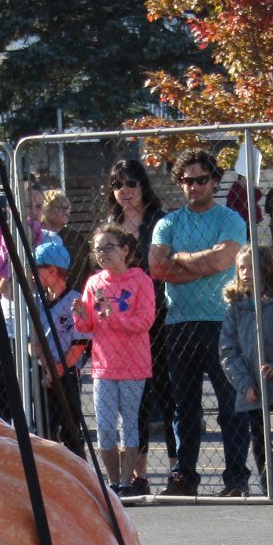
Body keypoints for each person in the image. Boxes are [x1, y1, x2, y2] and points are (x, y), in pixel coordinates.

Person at [149, 147, 249, 497]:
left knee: (230, 404)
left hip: (223, 322)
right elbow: (158, 268)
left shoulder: (231, 219)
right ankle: (184, 476)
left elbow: (223, 260)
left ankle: (236, 477)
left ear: (215, 180)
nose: (194, 186)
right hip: (180, 324)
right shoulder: (168, 223)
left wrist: (181, 259)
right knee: (184, 407)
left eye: (201, 179)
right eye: (187, 181)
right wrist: (198, 264)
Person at [107, 158, 173, 492]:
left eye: (131, 183)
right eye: (118, 185)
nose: (126, 191)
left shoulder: (160, 221)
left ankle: (178, 469)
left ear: (143, 186)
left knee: (168, 388)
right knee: (135, 399)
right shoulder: (112, 225)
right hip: (125, 324)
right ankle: (139, 473)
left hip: (160, 315)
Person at [220, 244, 273, 496]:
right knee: (259, 430)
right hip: (252, 378)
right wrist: (245, 383)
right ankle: (269, 481)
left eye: (252, 268)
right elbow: (228, 349)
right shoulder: (236, 307)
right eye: (241, 268)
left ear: (266, 270)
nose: (246, 273)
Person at [77, 224, 155, 492]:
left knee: (129, 424)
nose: (102, 254)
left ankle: (126, 482)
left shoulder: (140, 281)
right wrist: (81, 315)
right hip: (103, 366)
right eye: (98, 249)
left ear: (125, 250)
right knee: (105, 426)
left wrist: (115, 316)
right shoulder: (94, 282)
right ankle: (111, 482)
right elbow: (88, 326)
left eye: (108, 247)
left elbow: (145, 321)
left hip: (133, 365)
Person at [29, 237, 86, 456]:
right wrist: (45, 363)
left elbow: (80, 342)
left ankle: (79, 473)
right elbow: (32, 342)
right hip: (44, 372)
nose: (34, 275)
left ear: (52, 271)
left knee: (72, 430)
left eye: (38, 269)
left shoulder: (74, 300)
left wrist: (59, 368)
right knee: (44, 430)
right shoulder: (37, 301)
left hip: (67, 373)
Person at [40, 189, 92, 296]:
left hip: (75, 295)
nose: (66, 212)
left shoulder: (77, 238)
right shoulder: (37, 236)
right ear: (46, 209)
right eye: (60, 208)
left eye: (67, 208)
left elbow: (88, 269)